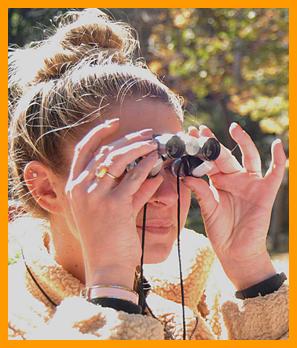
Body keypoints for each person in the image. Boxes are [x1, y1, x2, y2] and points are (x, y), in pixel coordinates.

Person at [8, 9, 288, 340]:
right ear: (45, 188)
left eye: (178, 164)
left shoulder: (204, 282)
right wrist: (111, 295)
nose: (168, 196)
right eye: (132, 166)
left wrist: (253, 272)